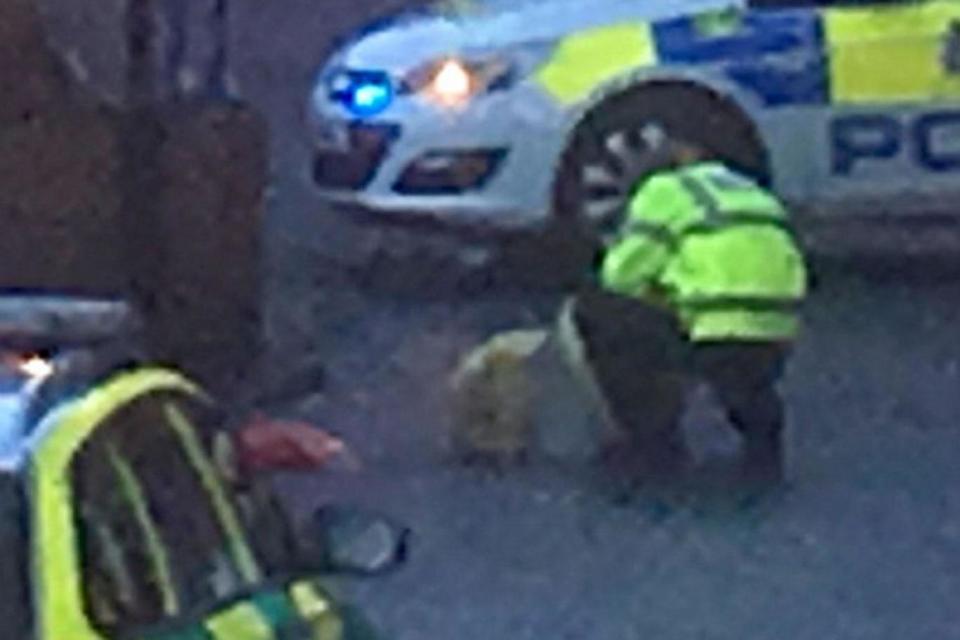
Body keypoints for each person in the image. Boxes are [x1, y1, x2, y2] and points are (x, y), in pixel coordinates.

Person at [578, 134, 809, 494]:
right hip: (777, 325)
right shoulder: (745, 189)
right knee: (743, 376)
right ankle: (761, 442)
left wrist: (655, 288)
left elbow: (621, 275)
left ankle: (652, 439)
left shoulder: (662, 192)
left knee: (600, 310)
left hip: (711, 327)